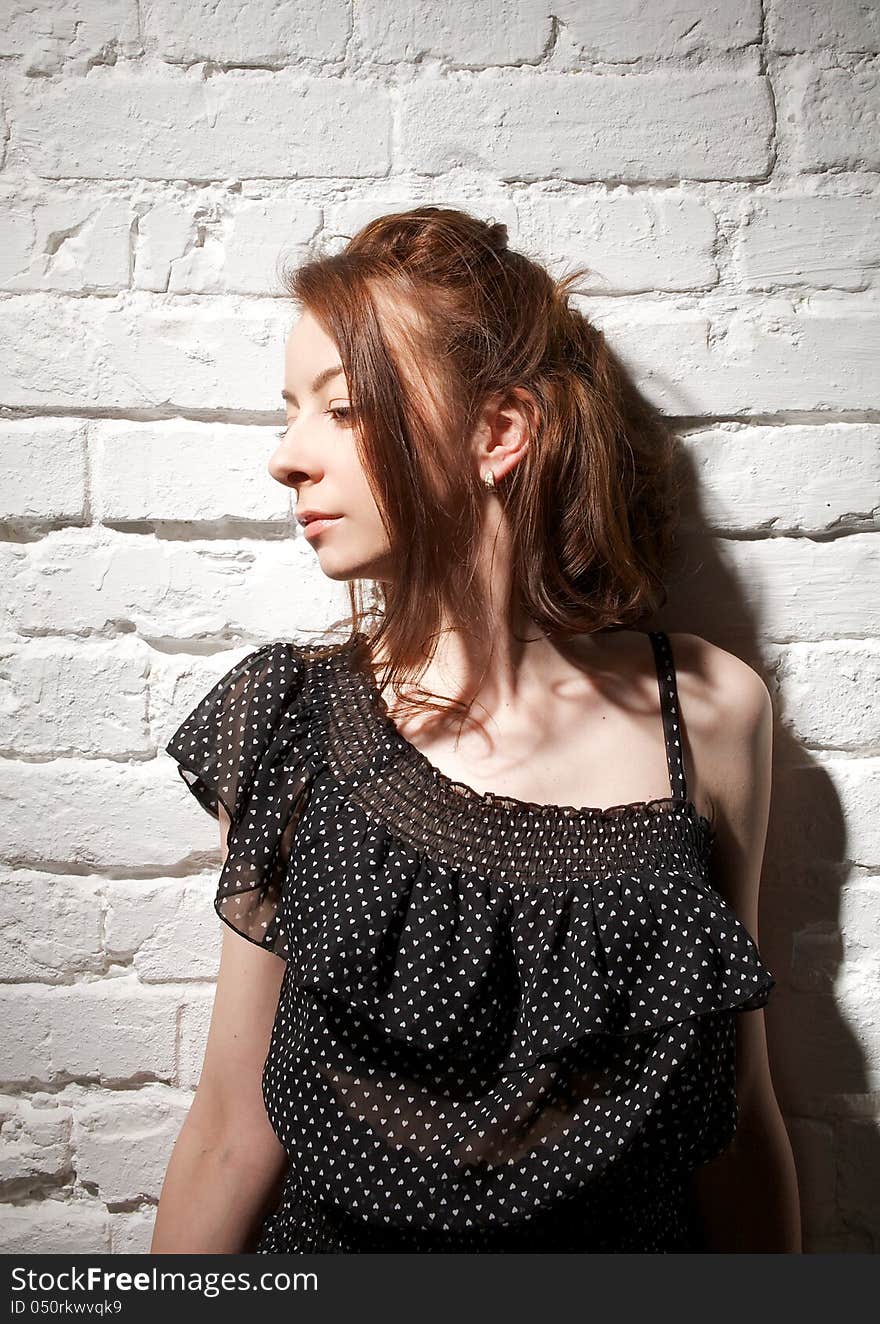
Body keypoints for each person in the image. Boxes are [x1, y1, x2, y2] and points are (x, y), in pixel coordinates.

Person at [150, 206, 802, 1254]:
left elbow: (735, 1119)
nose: (286, 456)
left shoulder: (712, 711)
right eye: (289, 412)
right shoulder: (284, 719)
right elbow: (231, 1128)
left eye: (345, 408)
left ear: (497, 433)